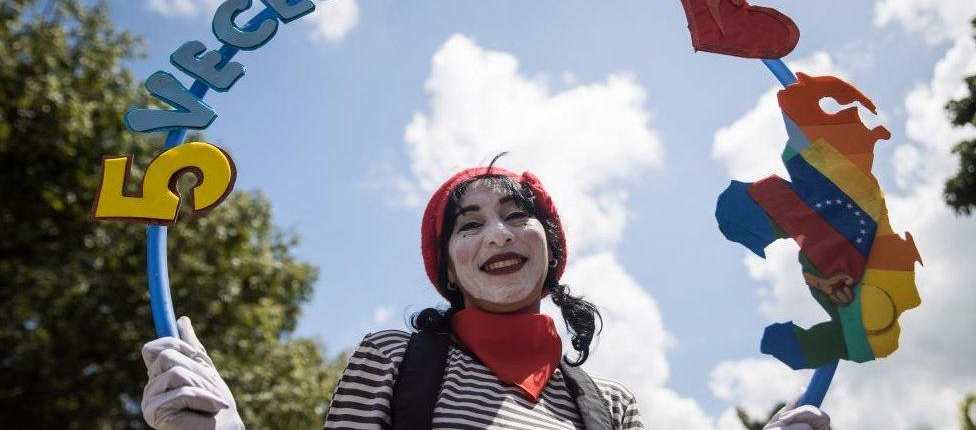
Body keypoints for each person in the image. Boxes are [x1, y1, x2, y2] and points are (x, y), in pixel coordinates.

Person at [141, 161, 832, 429]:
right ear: (447, 265)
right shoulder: (388, 360)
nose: (496, 234)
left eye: (516, 215)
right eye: (468, 225)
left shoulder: (613, 406)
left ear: (550, 245)